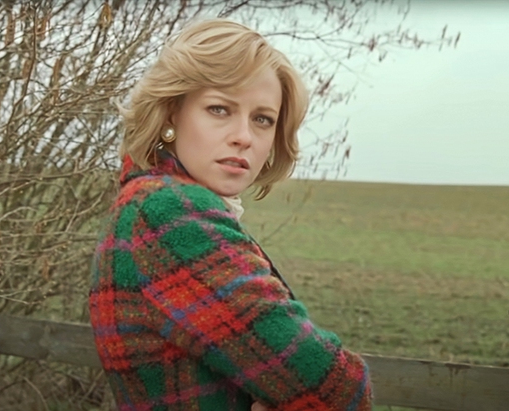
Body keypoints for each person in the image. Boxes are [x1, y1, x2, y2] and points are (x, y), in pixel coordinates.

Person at [88, 18, 373, 411]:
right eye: (219, 109)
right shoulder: (166, 214)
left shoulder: (149, 201)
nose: (244, 136)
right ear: (171, 114)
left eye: (262, 119)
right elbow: (338, 390)